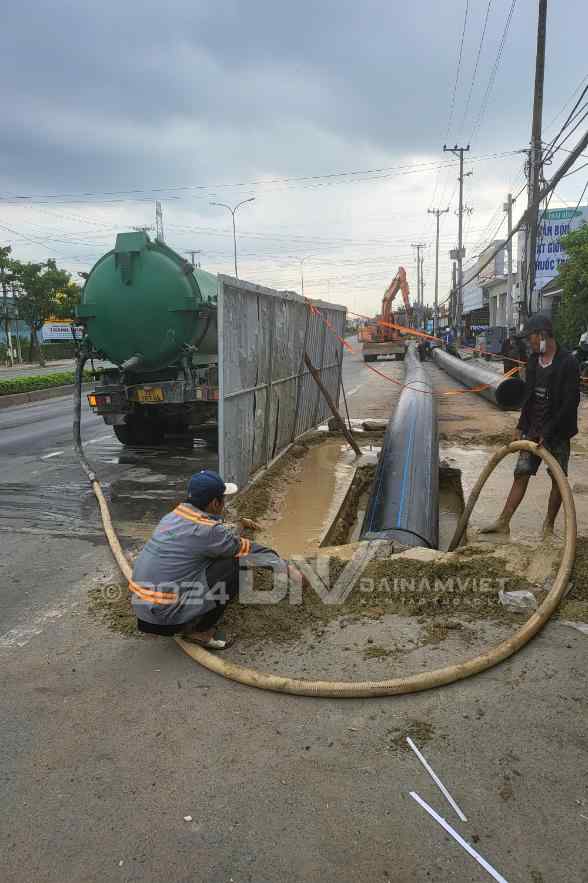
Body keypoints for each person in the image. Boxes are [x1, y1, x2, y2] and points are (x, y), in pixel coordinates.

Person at [130, 470, 297, 648]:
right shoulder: (209, 531)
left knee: (209, 560)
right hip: (166, 618)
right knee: (236, 563)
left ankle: (186, 613)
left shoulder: (172, 517)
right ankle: (200, 631)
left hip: (142, 609)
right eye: (223, 499)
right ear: (214, 503)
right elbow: (245, 549)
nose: (224, 504)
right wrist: (284, 566)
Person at [480, 314, 580, 538]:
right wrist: (521, 425)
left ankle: (548, 527)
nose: (529, 343)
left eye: (531, 338)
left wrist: (549, 431)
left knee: (558, 479)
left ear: (542, 335)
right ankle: (503, 521)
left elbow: (570, 403)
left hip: (558, 431)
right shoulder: (534, 361)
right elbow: (529, 396)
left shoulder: (568, 363)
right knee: (521, 473)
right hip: (533, 430)